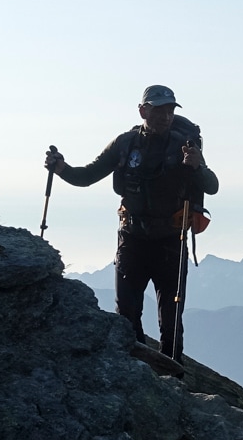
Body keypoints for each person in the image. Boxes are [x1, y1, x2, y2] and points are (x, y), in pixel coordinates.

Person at [47, 85, 218, 359]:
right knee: (126, 312)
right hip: (133, 238)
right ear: (143, 110)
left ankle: (173, 377)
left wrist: (198, 166)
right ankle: (137, 370)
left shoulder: (186, 146)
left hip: (171, 241)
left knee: (171, 317)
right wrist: (61, 169)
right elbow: (87, 176)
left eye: (169, 110)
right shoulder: (125, 143)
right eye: (158, 110)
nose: (165, 116)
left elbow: (212, 187)